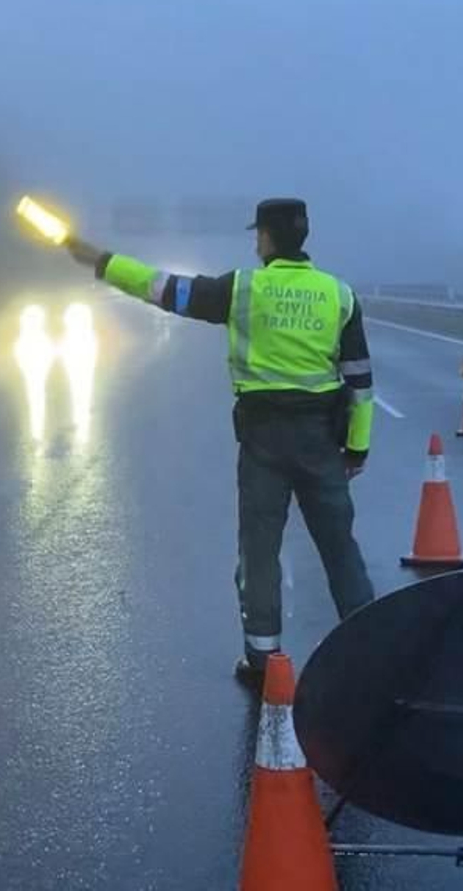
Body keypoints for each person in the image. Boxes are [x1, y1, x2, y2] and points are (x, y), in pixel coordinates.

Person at [64, 198, 377, 685]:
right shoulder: (339, 295)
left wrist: (104, 262)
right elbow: (359, 381)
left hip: (263, 441)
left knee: (259, 550)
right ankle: (370, 645)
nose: (255, 243)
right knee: (339, 546)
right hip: (321, 438)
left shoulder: (242, 289)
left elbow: (164, 289)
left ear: (267, 238)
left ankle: (263, 659)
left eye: (258, 235)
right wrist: (357, 447)